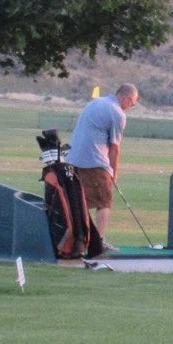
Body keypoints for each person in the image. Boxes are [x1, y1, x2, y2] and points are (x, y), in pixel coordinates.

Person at [65, 84, 139, 251]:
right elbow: (114, 148)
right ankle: (98, 243)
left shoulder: (96, 102)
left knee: (78, 200)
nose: (132, 106)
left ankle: (78, 238)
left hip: (73, 158)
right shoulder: (118, 113)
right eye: (132, 102)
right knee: (104, 201)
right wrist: (113, 172)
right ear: (126, 98)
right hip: (94, 161)